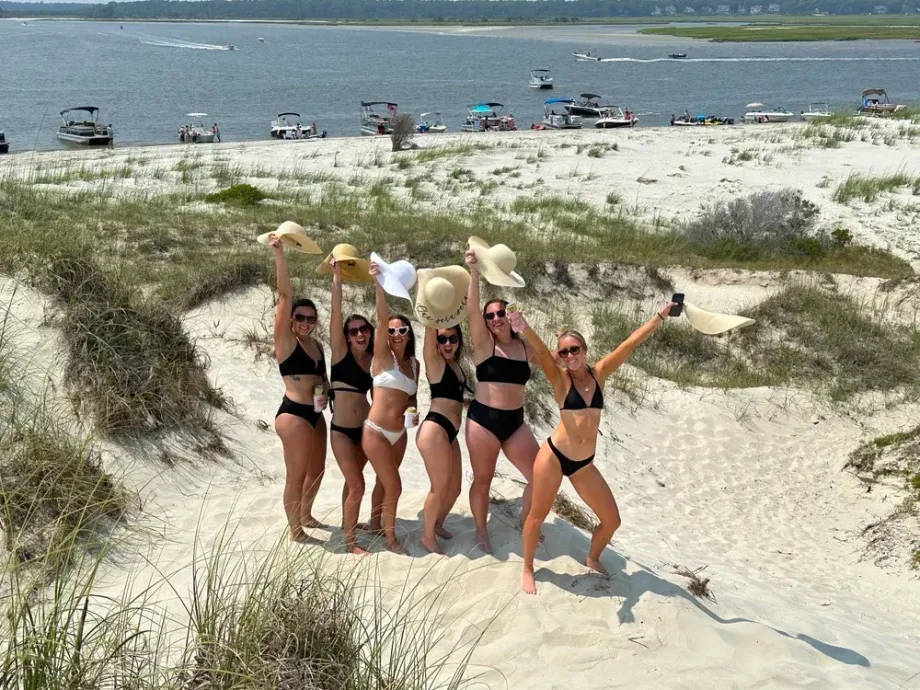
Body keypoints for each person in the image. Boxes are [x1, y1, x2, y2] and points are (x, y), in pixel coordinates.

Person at [511, 302, 676, 595]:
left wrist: (660, 316)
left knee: (612, 520)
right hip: (554, 457)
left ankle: (592, 558)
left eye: (574, 350)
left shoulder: (600, 374)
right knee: (537, 516)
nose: (569, 356)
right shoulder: (560, 379)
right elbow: (541, 352)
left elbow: (630, 343)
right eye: (564, 352)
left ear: (585, 350)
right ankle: (527, 568)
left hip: (583, 464)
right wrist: (523, 326)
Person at [464, 249, 539, 554]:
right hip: (484, 422)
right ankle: (481, 529)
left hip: (515, 423)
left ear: (509, 316)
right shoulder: (485, 345)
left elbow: (549, 359)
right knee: (483, 480)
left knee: (539, 475)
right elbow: (471, 311)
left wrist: (526, 329)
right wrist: (473, 272)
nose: (495, 318)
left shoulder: (524, 347)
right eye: (490, 315)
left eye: (500, 313)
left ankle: (527, 522)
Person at [269, 234, 329, 543]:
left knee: (317, 470)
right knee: (296, 476)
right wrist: (279, 255)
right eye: (300, 317)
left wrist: (326, 391)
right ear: (291, 320)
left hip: (316, 413)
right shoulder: (286, 341)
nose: (306, 322)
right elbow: (284, 296)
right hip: (294, 414)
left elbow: (323, 378)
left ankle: (305, 514)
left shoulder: (316, 345)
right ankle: (296, 531)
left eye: (311, 318)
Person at [361, 260, 420, 553]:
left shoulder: (414, 364)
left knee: (384, 483)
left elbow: (412, 399)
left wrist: (414, 413)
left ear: (409, 335)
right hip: (376, 431)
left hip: (400, 434)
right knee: (395, 486)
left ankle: (375, 523)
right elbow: (381, 320)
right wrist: (379, 284)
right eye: (393, 331)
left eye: (402, 330)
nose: (397, 335)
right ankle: (390, 537)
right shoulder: (383, 357)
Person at [328, 259, 374, 555]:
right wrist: (337, 276)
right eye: (354, 331)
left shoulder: (373, 359)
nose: (360, 335)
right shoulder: (339, 352)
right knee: (357, 484)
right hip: (342, 431)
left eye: (364, 330)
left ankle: (350, 524)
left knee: (353, 482)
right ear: (346, 336)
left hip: (366, 430)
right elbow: (336, 312)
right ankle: (350, 543)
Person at [417, 325, 469, 554]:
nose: (448, 343)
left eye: (453, 338)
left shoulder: (456, 364)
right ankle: (427, 537)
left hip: (450, 433)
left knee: (455, 487)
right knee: (438, 488)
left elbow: (453, 396)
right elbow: (429, 333)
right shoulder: (435, 362)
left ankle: (437, 524)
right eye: (442, 339)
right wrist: (432, 316)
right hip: (435, 429)